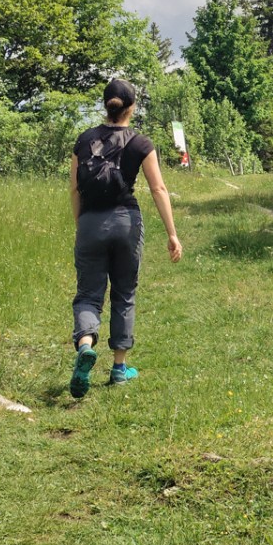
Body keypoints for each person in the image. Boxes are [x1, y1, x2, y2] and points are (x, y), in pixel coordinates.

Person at [68, 78, 182, 397]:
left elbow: (74, 188)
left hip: (91, 222)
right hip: (125, 223)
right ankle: (119, 369)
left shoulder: (83, 139)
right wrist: (172, 234)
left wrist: (83, 225)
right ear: (132, 107)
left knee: (89, 294)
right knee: (124, 293)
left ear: (106, 106)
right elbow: (158, 188)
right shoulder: (140, 143)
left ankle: (85, 346)